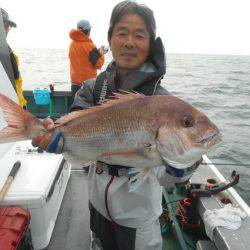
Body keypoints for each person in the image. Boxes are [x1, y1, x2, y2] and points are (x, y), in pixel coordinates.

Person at [32, 1, 201, 249]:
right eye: (122, 33)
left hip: (138, 217)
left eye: (139, 35)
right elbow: (76, 122)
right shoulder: (92, 87)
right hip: (97, 204)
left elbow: (164, 175)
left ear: (150, 44)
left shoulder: (161, 100)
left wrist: (183, 168)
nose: (129, 42)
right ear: (110, 40)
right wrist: (57, 139)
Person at [69, 19, 105, 97]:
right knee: (88, 108)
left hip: (74, 83)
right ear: (88, 30)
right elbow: (98, 65)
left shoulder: (72, 44)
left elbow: (81, 58)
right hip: (88, 85)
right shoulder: (90, 46)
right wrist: (101, 53)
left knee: (76, 108)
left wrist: (96, 53)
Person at [1, 8, 27, 109]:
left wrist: (23, 108)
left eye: (7, 26)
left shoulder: (11, 55)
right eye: (2, 25)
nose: (5, 30)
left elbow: (17, 85)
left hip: (17, 110)